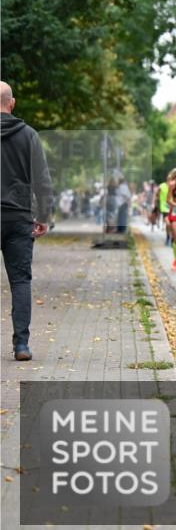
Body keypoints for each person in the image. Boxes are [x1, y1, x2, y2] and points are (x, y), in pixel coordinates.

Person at [1, 80, 54, 361]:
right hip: (19, 216)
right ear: (12, 103)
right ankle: (21, 345)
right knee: (20, 282)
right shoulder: (29, 135)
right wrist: (43, 216)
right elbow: (42, 180)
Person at [159, 174, 173, 245]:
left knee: (172, 224)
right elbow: (157, 194)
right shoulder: (162, 186)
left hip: (172, 207)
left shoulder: (174, 186)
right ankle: (168, 237)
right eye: (169, 179)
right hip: (164, 207)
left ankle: (172, 238)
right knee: (168, 223)